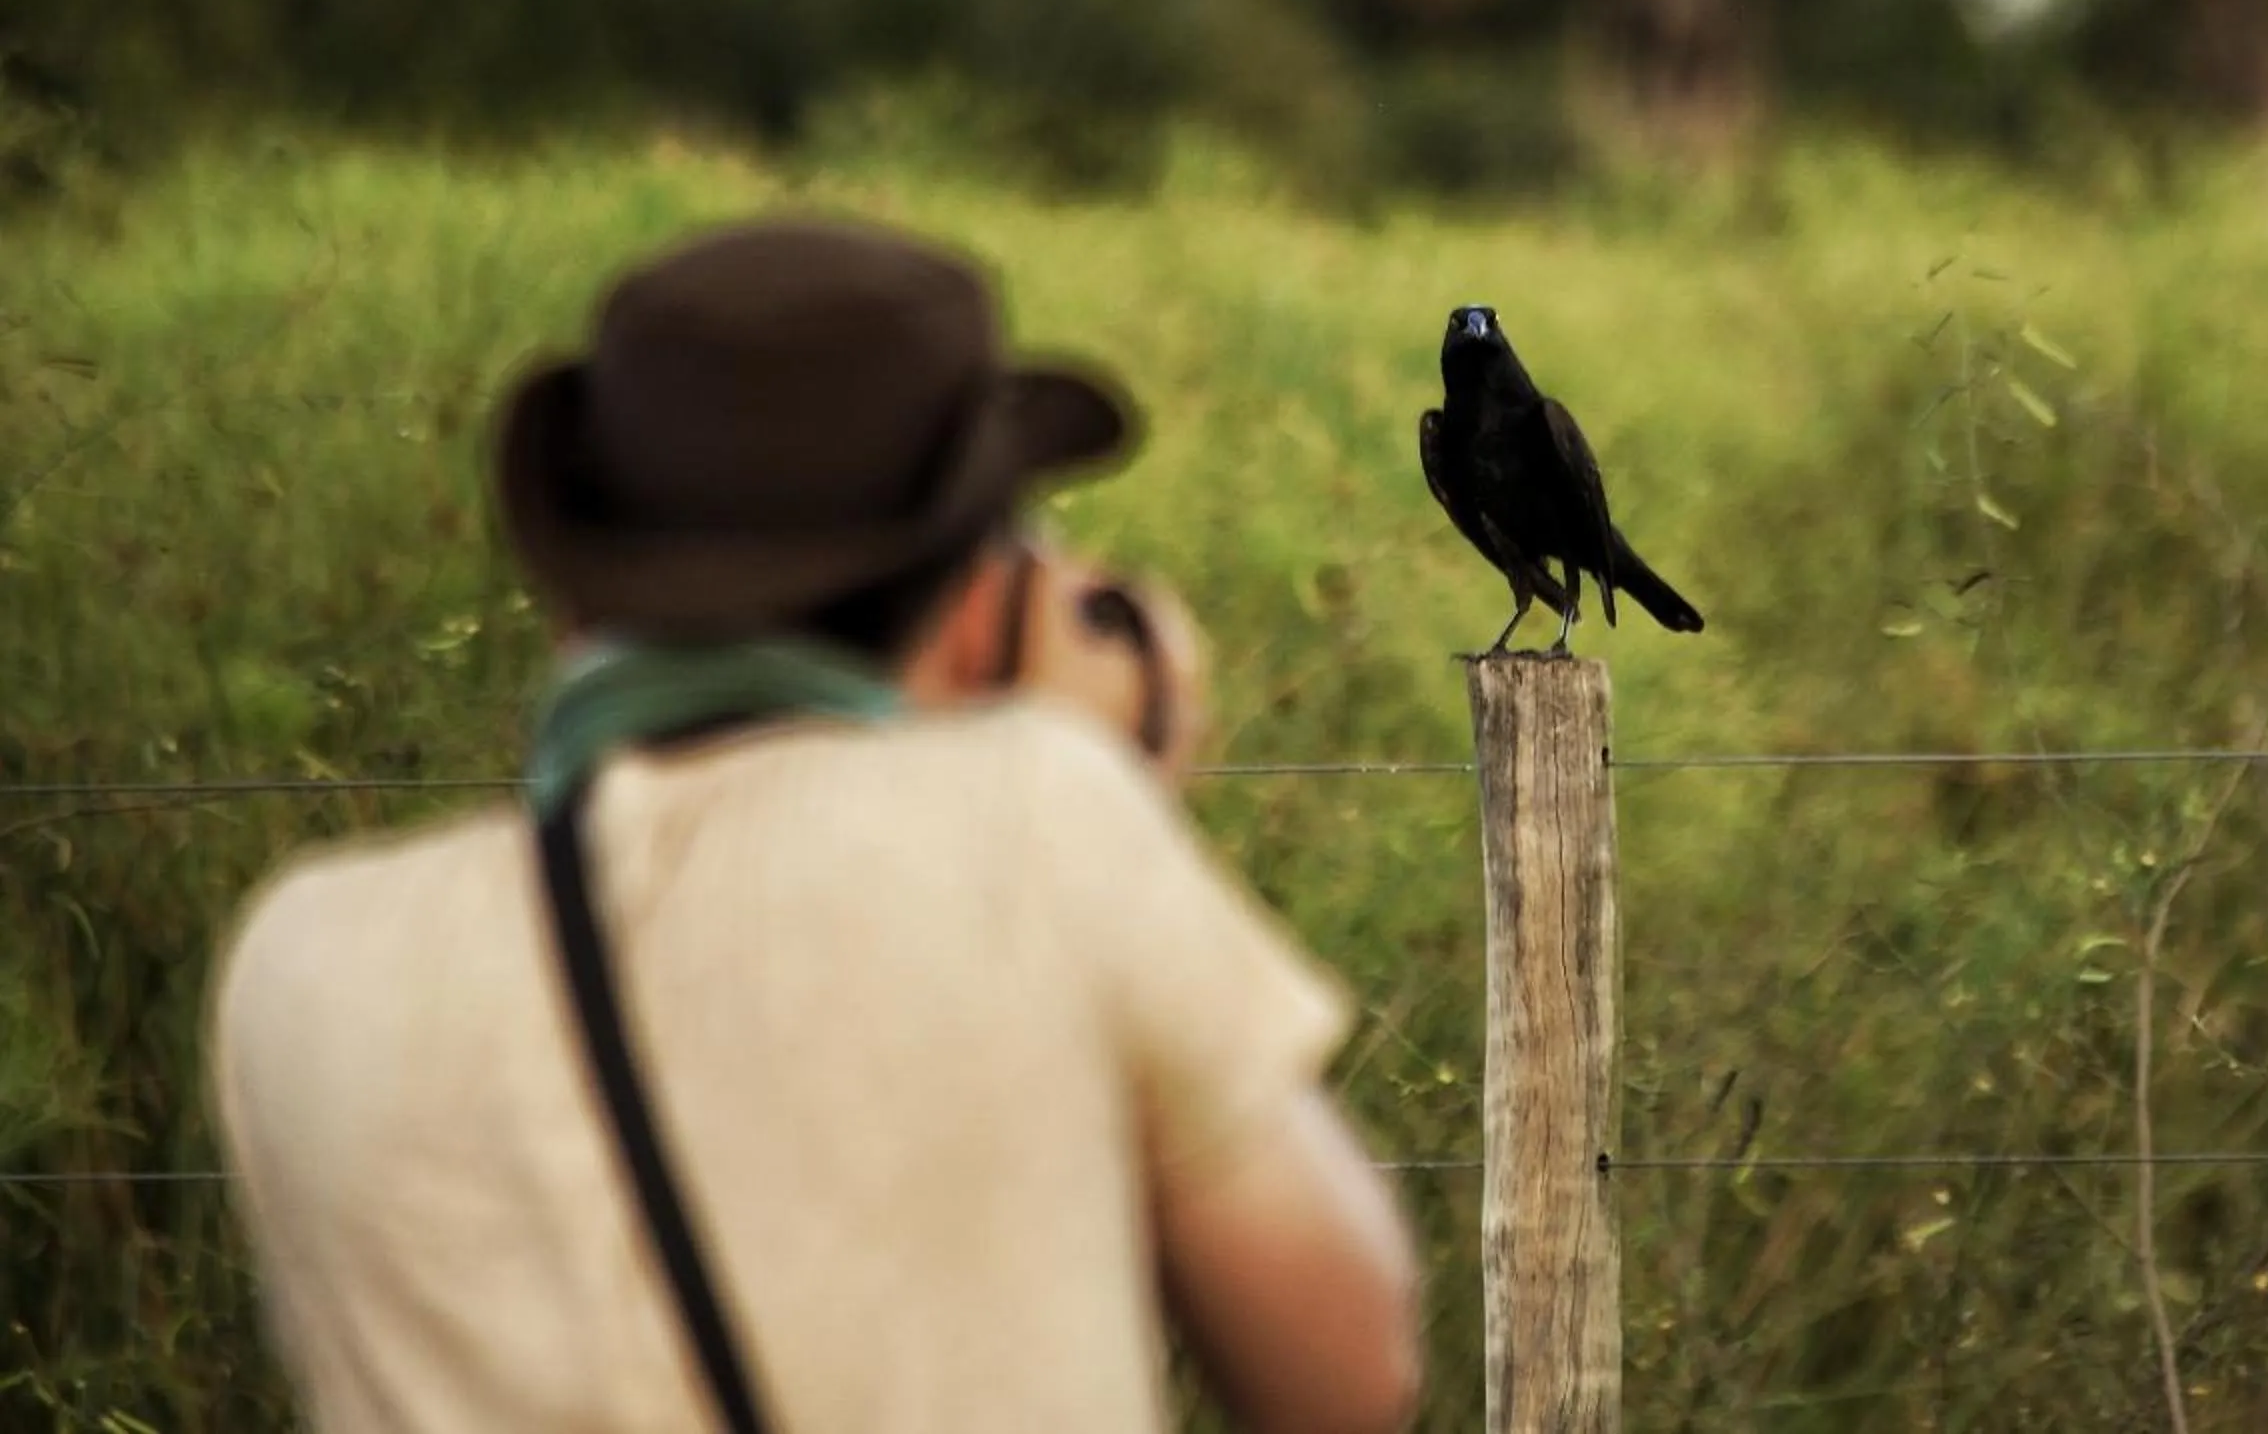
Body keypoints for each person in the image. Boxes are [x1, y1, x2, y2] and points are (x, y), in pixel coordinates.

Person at [202, 215, 1424, 1432]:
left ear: (584, 595)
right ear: (976, 603)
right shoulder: (1043, 824)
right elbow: (1350, 1367)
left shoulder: (300, 959)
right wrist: (1110, 786)